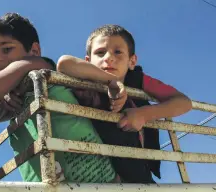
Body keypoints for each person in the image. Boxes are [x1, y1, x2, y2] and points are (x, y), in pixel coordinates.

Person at [0, 13, 118, 183]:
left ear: (34, 51)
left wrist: (2, 89)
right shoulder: (16, 97)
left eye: (7, 49)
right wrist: (1, 95)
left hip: (98, 185)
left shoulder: (37, 66)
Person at [57, 24, 192, 183]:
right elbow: (63, 63)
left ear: (132, 61)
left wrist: (144, 114)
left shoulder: (136, 79)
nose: (108, 57)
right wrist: (112, 82)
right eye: (100, 53)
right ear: (88, 60)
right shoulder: (84, 77)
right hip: (95, 169)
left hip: (136, 172)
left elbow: (184, 102)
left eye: (118, 52)